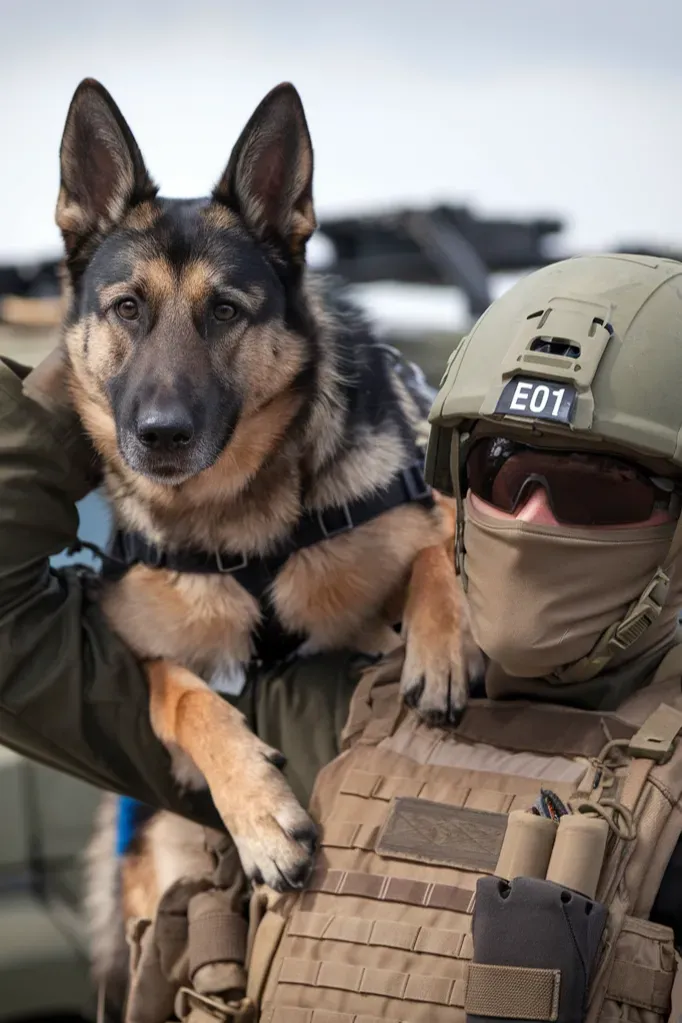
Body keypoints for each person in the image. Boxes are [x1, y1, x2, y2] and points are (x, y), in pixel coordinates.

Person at [2, 252, 682, 1021]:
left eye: (599, 490)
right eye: (502, 472)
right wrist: (128, 351)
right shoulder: (342, 721)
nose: (531, 521)